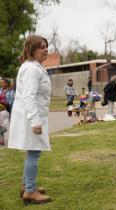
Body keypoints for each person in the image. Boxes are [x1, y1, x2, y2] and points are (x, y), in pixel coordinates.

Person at [8, 35, 52, 204]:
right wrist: (35, 121)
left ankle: (27, 185)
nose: (46, 49)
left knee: (32, 151)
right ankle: (30, 191)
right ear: (32, 50)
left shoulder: (34, 66)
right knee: (34, 152)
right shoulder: (32, 69)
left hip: (31, 115)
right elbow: (29, 97)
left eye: (46, 46)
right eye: (42, 47)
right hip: (30, 117)